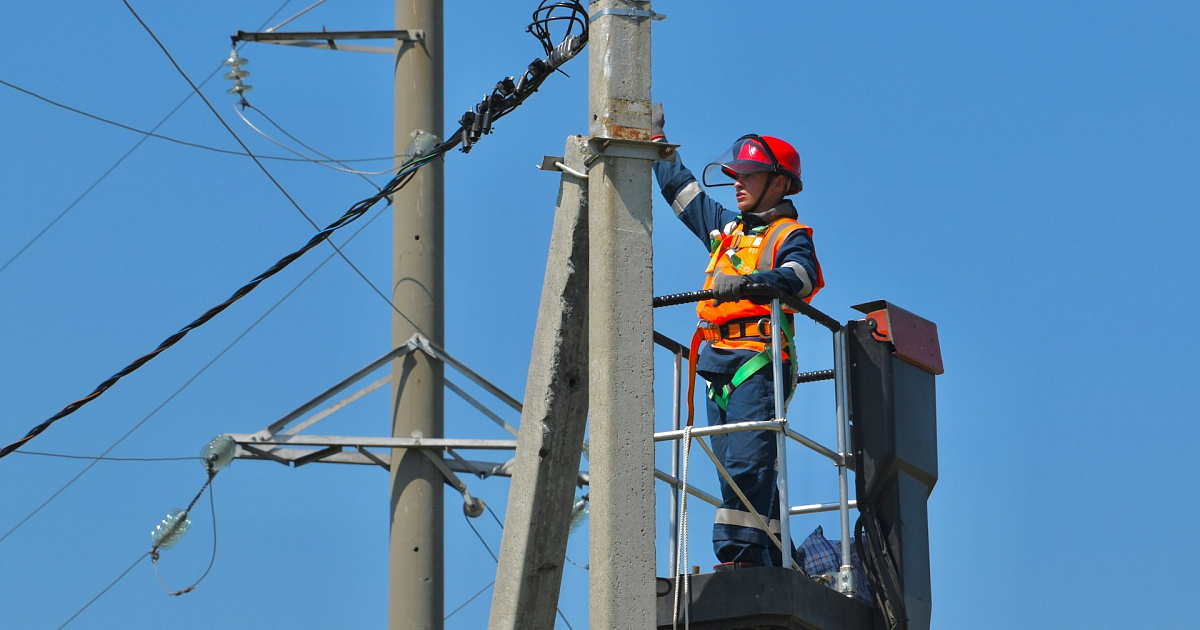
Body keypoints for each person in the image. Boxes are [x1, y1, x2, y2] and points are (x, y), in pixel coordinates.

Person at [651, 104, 824, 570]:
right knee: (735, 469)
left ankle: (740, 562)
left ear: (780, 183)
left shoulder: (791, 235)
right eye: (735, 175)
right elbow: (683, 194)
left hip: (757, 361)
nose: (737, 183)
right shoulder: (727, 231)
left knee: (747, 464)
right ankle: (771, 556)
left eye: (748, 175)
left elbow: (802, 277)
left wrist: (754, 282)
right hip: (715, 364)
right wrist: (656, 141)